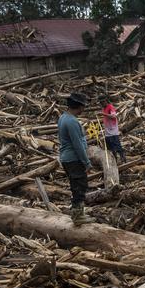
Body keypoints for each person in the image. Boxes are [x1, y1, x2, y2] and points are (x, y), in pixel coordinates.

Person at [58, 92, 94, 226]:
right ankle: (78, 216)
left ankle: (77, 213)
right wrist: (87, 162)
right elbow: (77, 145)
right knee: (80, 186)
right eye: (83, 106)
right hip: (73, 159)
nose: (84, 109)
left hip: (66, 158)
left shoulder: (63, 117)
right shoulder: (72, 121)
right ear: (78, 107)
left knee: (75, 186)